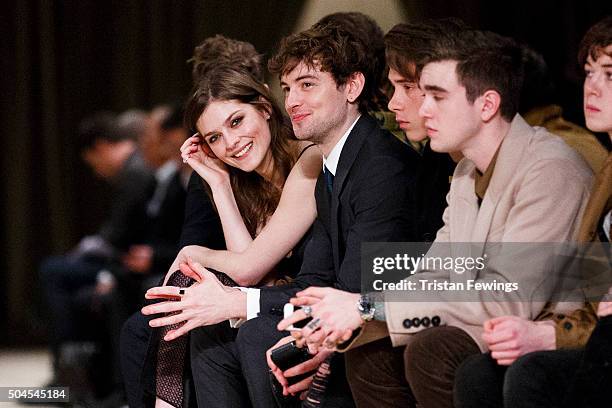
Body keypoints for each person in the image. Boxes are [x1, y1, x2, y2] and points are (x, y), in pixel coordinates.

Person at [279, 24, 594, 408]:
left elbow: (508, 297)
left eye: (437, 96)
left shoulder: (550, 167)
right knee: (368, 350)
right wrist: (352, 316)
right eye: (421, 93)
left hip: (545, 331)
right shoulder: (463, 171)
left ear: (487, 105)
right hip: (482, 319)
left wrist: (365, 307)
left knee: (431, 349)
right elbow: (434, 272)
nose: (420, 108)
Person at [143, 22, 421, 407]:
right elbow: (314, 279)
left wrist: (239, 298)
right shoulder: (331, 163)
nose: (291, 101)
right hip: (343, 309)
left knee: (255, 332)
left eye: (307, 84)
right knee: (204, 331)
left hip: (381, 321)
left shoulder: (372, 165)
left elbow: (353, 291)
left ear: (352, 87)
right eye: (288, 88)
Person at [454, 16, 612, 408]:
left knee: (531, 373)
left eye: (609, 74)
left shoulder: (555, 157)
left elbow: (513, 287)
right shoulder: (608, 171)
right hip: (594, 329)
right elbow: (594, 289)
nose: (592, 86)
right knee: (477, 373)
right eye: (589, 72)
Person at [39, 110, 155, 391]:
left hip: (128, 264)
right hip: (124, 260)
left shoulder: (134, 173)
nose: (96, 171)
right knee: (65, 283)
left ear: (101, 147)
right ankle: (73, 370)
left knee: (53, 272)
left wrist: (88, 253)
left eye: (93, 162)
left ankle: (69, 369)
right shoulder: (135, 170)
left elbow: (116, 237)